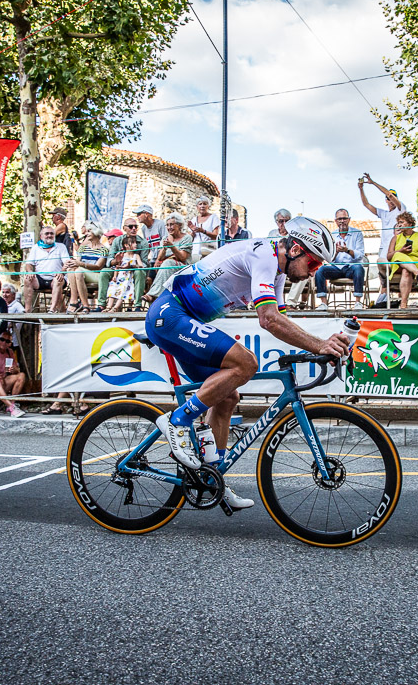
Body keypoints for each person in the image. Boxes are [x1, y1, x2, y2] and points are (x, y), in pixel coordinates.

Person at [145, 216, 347, 511]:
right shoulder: (264, 255)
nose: (311, 273)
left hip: (184, 320)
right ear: (294, 250)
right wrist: (320, 344)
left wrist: (321, 345)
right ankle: (177, 420)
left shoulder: (277, 272)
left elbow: (281, 320)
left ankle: (213, 478)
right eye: (313, 264)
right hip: (169, 314)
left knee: (228, 396)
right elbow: (269, 320)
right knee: (246, 364)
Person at [358, 174, 406, 305]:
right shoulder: (384, 213)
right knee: (383, 274)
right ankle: (384, 297)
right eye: (388, 198)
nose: (390, 199)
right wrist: (361, 189)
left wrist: (373, 183)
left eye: (393, 197)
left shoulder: (401, 209)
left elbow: (390, 195)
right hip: (384, 247)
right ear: (385, 201)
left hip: (397, 247)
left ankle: (399, 300)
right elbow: (366, 204)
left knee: (395, 271)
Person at [314, 209, 366, 310]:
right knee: (320, 270)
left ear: (349, 219)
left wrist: (347, 251)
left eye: (344, 218)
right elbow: (329, 258)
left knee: (359, 268)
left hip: (351, 267)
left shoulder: (357, 233)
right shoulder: (331, 235)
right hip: (336, 268)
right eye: (339, 219)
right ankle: (323, 303)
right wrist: (336, 252)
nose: (342, 221)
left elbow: (360, 255)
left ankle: (358, 302)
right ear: (336, 221)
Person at [143, 213, 193, 303]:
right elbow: (160, 257)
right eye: (167, 225)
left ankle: (153, 295)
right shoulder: (166, 238)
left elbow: (182, 257)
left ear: (179, 225)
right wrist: (164, 248)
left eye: (172, 225)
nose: (169, 227)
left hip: (183, 266)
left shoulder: (187, 238)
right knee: (152, 269)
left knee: (167, 264)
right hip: (167, 264)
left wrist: (172, 246)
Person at [97, 220, 149, 309]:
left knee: (140, 272)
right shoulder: (117, 240)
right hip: (119, 268)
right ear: (124, 228)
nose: (134, 229)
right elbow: (110, 260)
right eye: (131, 226)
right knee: (104, 271)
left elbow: (144, 264)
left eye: (135, 227)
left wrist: (132, 266)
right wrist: (117, 261)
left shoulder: (143, 242)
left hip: (134, 269)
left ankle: (137, 305)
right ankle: (101, 305)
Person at [386, 212, 418, 309]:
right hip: (398, 264)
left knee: (406, 270)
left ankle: (403, 304)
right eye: (398, 222)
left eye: (402, 222)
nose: (399, 224)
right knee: (398, 254)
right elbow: (389, 256)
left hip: (417, 263)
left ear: (410, 224)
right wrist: (401, 250)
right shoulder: (396, 238)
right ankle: (417, 272)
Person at [22, 225, 70, 313]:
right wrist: (29, 271)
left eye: (51, 233)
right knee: (27, 279)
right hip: (40, 278)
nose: (49, 235)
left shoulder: (61, 246)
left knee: (58, 280)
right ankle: (27, 309)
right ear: (41, 236)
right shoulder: (36, 247)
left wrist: (61, 272)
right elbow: (29, 263)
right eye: (46, 233)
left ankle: (52, 309)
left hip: (56, 277)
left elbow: (67, 262)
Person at [65, 220, 108, 313]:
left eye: (89, 231)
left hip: (95, 274)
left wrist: (80, 264)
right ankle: (77, 301)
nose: (87, 233)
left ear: (96, 232)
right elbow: (78, 262)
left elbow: (98, 267)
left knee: (78, 271)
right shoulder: (83, 248)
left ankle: (80, 304)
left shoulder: (104, 249)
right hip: (81, 273)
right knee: (72, 269)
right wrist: (72, 263)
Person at [102, 234, 144, 313]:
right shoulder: (122, 255)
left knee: (123, 289)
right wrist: (115, 276)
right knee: (112, 288)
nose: (136, 244)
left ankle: (116, 307)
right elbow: (117, 266)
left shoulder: (136, 256)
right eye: (133, 243)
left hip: (128, 278)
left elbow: (141, 266)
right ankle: (108, 306)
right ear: (126, 245)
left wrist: (131, 266)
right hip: (119, 276)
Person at [188, 196, 219, 260]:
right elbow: (190, 238)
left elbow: (216, 236)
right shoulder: (193, 220)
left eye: (205, 204)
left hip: (209, 250)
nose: (202, 206)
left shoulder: (213, 217)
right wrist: (192, 232)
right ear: (197, 207)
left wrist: (203, 231)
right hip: (195, 251)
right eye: (200, 204)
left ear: (208, 206)